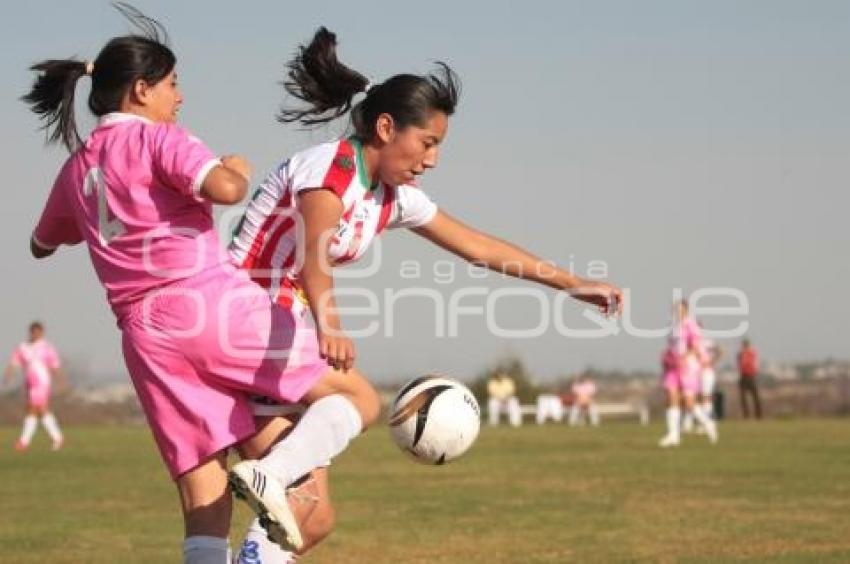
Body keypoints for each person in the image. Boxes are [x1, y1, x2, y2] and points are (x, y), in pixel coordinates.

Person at [227, 26, 623, 561]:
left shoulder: (390, 196)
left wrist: (573, 284)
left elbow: (477, 246)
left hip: (278, 331)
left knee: (314, 519)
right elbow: (313, 254)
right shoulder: (331, 169)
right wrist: (330, 322)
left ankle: (262, 499)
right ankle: (266, 474)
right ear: (386, 127)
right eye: (428, 142)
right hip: (242, 317)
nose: (432, 159)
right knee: (359, 399)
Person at [22, 6, 377, 561]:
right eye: (172, 84)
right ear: (141, 90)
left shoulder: (76, 169)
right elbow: (227, 190)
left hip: (144, 336)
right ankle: (272, 473)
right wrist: (233, 166)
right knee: (358, 397)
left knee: (203, 499)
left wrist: (89, 226)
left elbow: (40, 244)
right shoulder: (160, 140)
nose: (179, 97)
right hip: (208, 303)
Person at [658, 299, 717, 447]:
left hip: (687, 367)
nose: (678, 311)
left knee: (689, 402)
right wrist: (667, 357)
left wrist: (685, 357)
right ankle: (673, 435)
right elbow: (671, 345)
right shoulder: (672, 327)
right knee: (671, 397)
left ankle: (708, 423)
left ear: (686, 310)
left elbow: (695, 346)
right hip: (673, 366)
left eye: (681, 309)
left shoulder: (691, 326)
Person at [3, 321, 66, 451]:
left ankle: (24, 441)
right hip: (30, 383)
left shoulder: (47, 348)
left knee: (35, 410)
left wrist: (61, 381)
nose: (35, 334)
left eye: (38, 332)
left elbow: (55, 366)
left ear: (42, 333)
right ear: (30, 332)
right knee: (40, 411)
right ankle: (57, 438)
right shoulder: (23, 347)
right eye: (33, 331)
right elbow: (14, 363)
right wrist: (8, 376)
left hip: (42, 382)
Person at [737, 338, 762, 419]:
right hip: (743, 376)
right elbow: (740, 364)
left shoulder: (751, 353)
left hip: (751, 376)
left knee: (755, 397)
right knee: (743, 398)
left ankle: (758, 415)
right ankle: (746, 415)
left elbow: (753, 363)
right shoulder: (741, 354)